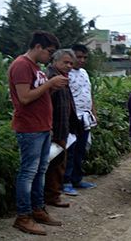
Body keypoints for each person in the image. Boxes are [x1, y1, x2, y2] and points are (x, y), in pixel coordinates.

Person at [9, 31, 66, 235]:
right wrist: (50, 84)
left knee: (40, 170)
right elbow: (24, 98)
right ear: (38, 47)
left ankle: (37, 209)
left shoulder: (36, 67)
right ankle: (23, 216)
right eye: (49, 52)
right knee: (28, 172)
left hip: (41, 127)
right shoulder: (21, 65)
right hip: (29, 128)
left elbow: (38, 96)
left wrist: (51, 88)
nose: (50, 56)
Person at [45, 49, 81, 208]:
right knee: (54, 164)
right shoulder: (51, 78)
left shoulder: (62, 78)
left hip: (63, 129)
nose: (68, 66)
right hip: (54, 129)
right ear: (55, 61)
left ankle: (53, 195)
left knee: (58, 163)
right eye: (65, 62)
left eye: (71, 64)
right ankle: (51, 196)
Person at [64, 44, 98, 196]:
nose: (82, 60)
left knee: (80, 150)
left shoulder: (84, 73)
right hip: (71, 118)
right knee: (69, 150)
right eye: (79, 57)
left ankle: (77, 178)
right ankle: (66, 181)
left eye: (85, 57)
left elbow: (90, 94)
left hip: (85, 117)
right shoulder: (66, 73)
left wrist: (93, 112)